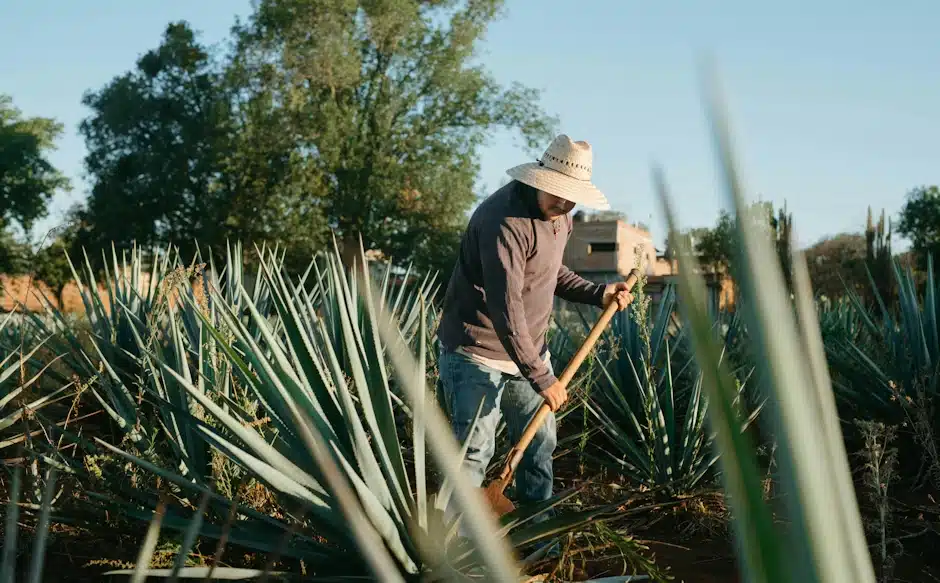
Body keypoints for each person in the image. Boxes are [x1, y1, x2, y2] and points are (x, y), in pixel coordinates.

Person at [435, 134, 635, 519]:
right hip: (476, 353)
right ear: (539, 180)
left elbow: (548, 271)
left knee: (540, 444)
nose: (564, 205)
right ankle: (456, 549)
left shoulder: (560, 216)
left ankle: (537, 534)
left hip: (528, 354)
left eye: (571, 198)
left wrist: (598, 294)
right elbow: (506, 307)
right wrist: (542, 377)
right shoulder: (503, 222)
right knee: (474, 454)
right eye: (558, 195)